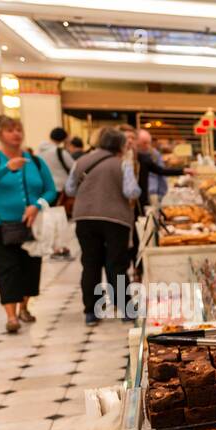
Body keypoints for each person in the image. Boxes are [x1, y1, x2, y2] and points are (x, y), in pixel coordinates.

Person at [0, 115, 57, 334]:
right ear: (0, 134)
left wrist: (37, 205)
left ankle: (24, 306)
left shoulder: (36, 161)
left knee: (30, 266)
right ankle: (11, 316)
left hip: (31, 222)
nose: (16, 134)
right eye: (10, 130)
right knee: (7, 267)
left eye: (19, 129)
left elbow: (50, 189)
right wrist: (7, 168)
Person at [65, 127, 140, 327]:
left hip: (85, 217)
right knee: (116, 264)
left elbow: (70, 189)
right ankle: (126, 310)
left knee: (90, 263)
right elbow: (131, 191)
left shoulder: (80, 162)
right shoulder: (122, 164)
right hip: (115, 219)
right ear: (120, 145)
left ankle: (91, 311)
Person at [37, 126, 75, 259]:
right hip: (59, 189)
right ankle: (59, 247)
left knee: (48, 219)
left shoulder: (39, 152)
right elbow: (74, 167)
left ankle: (50, 246)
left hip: (44, 189)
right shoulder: (59, 152)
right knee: (59, 219)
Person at [134, 128, 187, 210]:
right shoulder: (130, 158)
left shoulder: (147, 156)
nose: (147, 146)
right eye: (144, 143)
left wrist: (183, 171)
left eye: (149, 143)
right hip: (144, 195)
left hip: (150, 193)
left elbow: (160, 170)